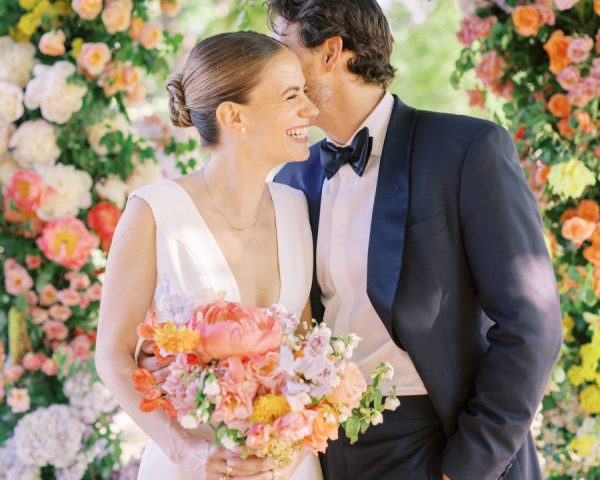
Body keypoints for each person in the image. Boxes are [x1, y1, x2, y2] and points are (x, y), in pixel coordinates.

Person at [265, 1, 563, 479]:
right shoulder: (293, 178)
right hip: (330, 450)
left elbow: (533, 323)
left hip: (440, 440)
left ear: (331, 52)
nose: (269, 63)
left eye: (282, 46)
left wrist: (468, 464)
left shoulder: (466, 151)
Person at [95, 31, 323, 480]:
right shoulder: (154, 212)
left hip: (285, 468)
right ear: (233, 116)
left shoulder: (297, 207)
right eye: (291, 95)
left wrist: (294, 448)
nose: (310, 110)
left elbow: (307, 350)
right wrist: (183, 451)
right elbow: (113, 353)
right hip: (192, 466)